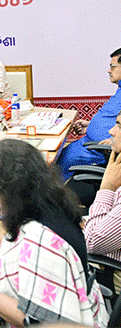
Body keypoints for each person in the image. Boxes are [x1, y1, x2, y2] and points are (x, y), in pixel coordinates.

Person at [0, 139, 108, 327]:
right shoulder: (51, 205)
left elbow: (36, 320)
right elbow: (24, 249)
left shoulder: (39, 240)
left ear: (13, 189)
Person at [56, 48, 121, 180]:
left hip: (96, 151)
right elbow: (113, 119)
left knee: (52, 169)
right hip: (85, 145)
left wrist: (114, 141)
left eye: (112, 66)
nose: (109, 71)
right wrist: (90, 125)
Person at [84, 111, 121, 294]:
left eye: (119, 126)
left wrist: (107, 187)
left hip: (109, 276)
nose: (111, 131)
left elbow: (93, 241)